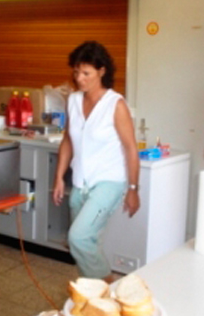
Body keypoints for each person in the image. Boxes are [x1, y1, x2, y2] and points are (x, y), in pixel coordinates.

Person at [52, 41, 140, 283]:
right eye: (76, 72)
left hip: (109, 182)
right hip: (80, 182)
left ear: (101, 71)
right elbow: (68, 140)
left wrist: (133, 189)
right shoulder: (73, 100)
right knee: (86, 243)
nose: (79, 78)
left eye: (86, 73)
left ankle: (108, 287)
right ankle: (94, 294)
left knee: (78, 237)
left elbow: (131, 148)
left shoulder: (115, 104)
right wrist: (59, 177)